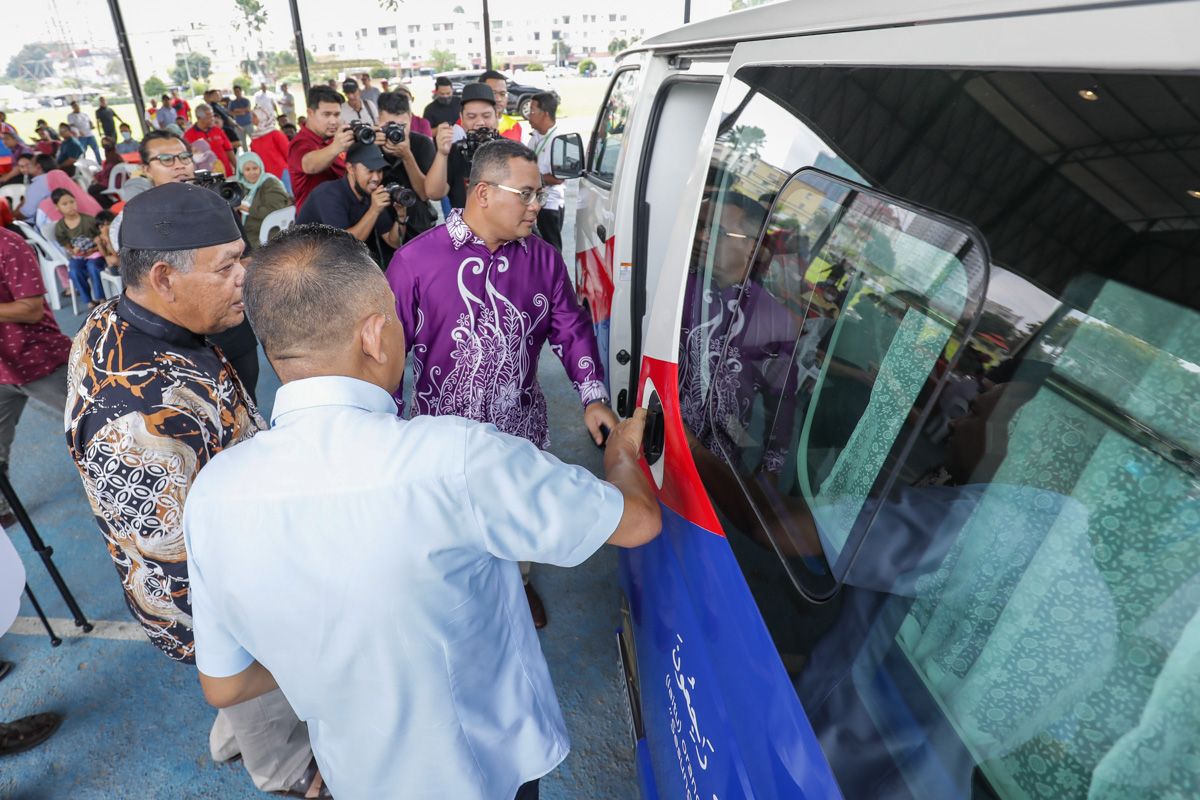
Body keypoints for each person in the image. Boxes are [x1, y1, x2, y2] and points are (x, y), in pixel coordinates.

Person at [184, 223, 661, 799]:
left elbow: (225, 682)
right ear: (374, 337)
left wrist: (330, 661)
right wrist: (622, 454)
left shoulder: (214, 493)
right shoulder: (456, 457)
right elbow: (636, 522)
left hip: (354, 775)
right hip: (485, 769)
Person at [64, 183, 323, 798]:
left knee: (249, 709)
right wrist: (229, 665)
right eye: (228, 265)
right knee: (277, 735)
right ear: (163, 277)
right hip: (229, 610)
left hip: (241, 567)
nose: (245, 276)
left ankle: (234, 729)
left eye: (243, 256)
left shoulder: (132, 316)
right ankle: (289, 776)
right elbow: (178, 574)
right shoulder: (135, 417)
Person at [387, 139, 619, 629]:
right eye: (527, 194)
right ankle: (455, 599)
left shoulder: (543, 259)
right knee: (447, 524)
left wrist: (593, 396)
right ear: (484, 193)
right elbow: (388, 356)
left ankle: (519, 583)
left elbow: (571, 329)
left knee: (517, 515)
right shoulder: (415, 262)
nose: (538, 205)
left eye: (538, 195)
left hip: (518, 427)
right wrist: (383, 428)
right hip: (442, 434)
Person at [110, 131, 261, 401]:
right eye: (166, 159)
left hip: (233, 333)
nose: (179, 164)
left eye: (184, 157)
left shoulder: (217, 206)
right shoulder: (133, 223)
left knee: (247, 405)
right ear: (145, 169)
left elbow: (245, 258)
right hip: (175, 349)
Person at [0, 226, 72, 530]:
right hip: (2, 371)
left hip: (41, 361)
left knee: (100, 425)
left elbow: (30, 310)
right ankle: (3, 507)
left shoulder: (9, 245)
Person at [297, 142, 404, 266]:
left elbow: (393, 241)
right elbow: (345, 246)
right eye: (370, 170)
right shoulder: (328, 195)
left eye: (379, 171)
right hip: (306, 264)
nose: (376, 178)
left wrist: (401, 217)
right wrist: (374, 210)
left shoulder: (370, 192)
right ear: (350, 168)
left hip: (338, 261)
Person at [376, 91, 436, 242]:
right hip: (380, 225)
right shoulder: (370, 144)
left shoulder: (422, 144)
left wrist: (407, 156)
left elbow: (424, 194)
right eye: (389, 125)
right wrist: (370, 148)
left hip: (418, 225)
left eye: (402, 125)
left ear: (410, 118)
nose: (395, 131)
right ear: (378, 121)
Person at [425, 83, 497, 210]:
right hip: (464, 227)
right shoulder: (454, 152)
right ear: (461, 119)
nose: (480, 123)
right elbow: (434, 193)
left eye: (486, 116)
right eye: (471, 117)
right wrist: (442, 153)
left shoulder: (512, 150)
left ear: (496, 116)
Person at [287, 85, 352, 210]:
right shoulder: (300, 143)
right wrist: (336, 147)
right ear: (310, 113)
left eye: (337, 114)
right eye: (326, 115)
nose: (333, 121)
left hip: (341, 211)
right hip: (315, 223)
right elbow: (309, 165)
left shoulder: (335, 138)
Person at [52, 188, 106, 308]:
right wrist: (73, 251)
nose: (70, 206)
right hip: (78, 257)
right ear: (57, 207)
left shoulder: (89, 220)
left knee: (93, 267)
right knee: (75, 271)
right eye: (65, 204)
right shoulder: (60, 227)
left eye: (72, 202)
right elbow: (67, 246)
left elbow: (101, 238)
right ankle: (89, 302)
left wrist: (93, 248)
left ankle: (101, 298)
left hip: (95, 254)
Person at [526, 92, 565, 252]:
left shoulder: (559, 140)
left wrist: (533, 178)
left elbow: (559, 178)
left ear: (545, 114)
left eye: (532, 111)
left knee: (551, 249)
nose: (529, 115)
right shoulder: (535, 137)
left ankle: (557, 277)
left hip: (550, 204)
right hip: (535, 200)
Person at [236, 152, 290, 249]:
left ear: (260, 167)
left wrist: (246, 208)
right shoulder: (244, 186)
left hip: (267, 233)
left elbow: (273, 211)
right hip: (252, 231)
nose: (252, 173)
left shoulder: (270, 183)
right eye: (247, 169)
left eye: (255, 168)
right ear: (241, 172)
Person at [184, 104, 235, 176]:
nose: (213, 119)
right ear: (199, 118)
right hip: (206, 178)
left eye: (212, 116)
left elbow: (229, 150)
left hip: (226, 173)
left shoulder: (218, 130)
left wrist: (236, 167)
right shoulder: (189, 135)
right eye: (209, 117)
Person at [480, 70, 522, 142]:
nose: (498, 99)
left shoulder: (514, 126)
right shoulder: (464, 124)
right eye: (493, 93)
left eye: (502, 94)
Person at [249, 109, 289, 183]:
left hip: (282, 172)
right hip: (265, 175)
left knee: (288, 194)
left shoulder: (275, 134)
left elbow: (288, 153)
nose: (251, 119)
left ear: (262, 117)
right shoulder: (255, 137)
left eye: (254, 116)